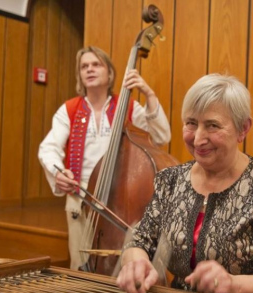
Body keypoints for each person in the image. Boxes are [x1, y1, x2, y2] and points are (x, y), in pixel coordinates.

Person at [115, 74, 253, 293]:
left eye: (212, 125)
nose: (198, 138)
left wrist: (233, 285)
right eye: (191, 123)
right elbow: (140, 240)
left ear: (243, 128)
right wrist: (136, 263)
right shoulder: (170, 180)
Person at [38, 46, 171, 270]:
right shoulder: (69, 109)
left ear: (110, 73)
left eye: (96, 64)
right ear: (80, 75)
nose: (89, 69)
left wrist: (149, 94)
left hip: (119, 201)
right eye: (84, 66)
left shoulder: (128, 107)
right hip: (81, 198)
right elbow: (48, 148)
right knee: (80, 265)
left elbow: (161, 136)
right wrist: (58, 172)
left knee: (123, 264)